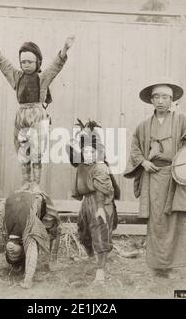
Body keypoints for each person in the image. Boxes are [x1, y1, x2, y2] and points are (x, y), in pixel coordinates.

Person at [123, 80, 186, 278]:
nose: (160, 101)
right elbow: (135, 148)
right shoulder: (144, 125)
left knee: (173, 219)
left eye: (165, 97)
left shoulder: (181, 119)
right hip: (153, 177)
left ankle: (170, 266)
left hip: (173, 177)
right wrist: (144, 162)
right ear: (151, 100)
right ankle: (156, 266)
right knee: (156, 221)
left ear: (171, 100)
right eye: (156, 97)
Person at [0, 35, 75, 192]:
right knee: (23, 151)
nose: (26, 65)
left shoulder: (42, 79)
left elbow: (54, 67)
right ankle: (26, 182)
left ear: (37, 63)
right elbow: (5, 66)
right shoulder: (17, 77)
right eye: (23, 62)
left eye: (29, 62)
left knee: (36, 151)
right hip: (21, 116)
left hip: (36, 115)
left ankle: (35, 183)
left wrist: (64, 49)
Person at [67, 120, 120, 284]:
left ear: (98, 152)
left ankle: (100, 271)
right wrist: (77, 136)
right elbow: (72, 151)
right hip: (87, 202)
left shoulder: (100, 168)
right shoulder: (82, 164)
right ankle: (91, 258)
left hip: (101, 202)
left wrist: (100, 209)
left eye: (92, 152)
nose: (89, 155)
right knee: (83, 231)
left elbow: (101, 192)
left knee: (100, 232)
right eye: (86, 152)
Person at [0, 190, 61, 289]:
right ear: (23, 248)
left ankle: (52, 260)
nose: (11, 251)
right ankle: (52, 259)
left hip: (19, 194)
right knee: (52, 227)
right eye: (15, 255)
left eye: (10, 254)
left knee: (52, 229)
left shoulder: (3, 232)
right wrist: (27, 281)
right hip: (37, 199)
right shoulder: (28, 234)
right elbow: (31, 255)